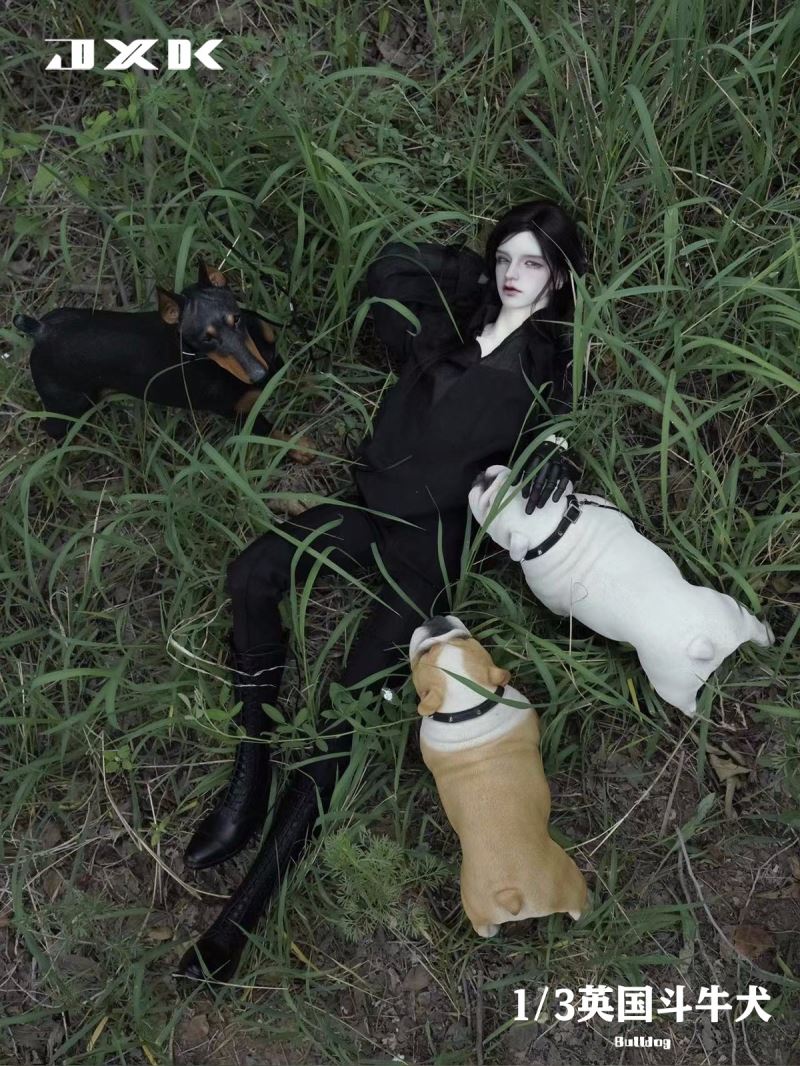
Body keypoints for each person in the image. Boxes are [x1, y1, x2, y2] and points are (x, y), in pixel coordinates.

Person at [178, 200, 588, 981]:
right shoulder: (453, 321)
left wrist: (550, 452)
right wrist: (475, 272)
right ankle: (249, 770)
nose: (513, 274)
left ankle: (239, 920)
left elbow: (556, 440)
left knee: (345, 713)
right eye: (506, 257)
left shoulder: (549, 366)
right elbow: (389, 267)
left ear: (561, 278)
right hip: (370, 504)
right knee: (252, 573)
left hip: (429, 546)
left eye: (533, 263)